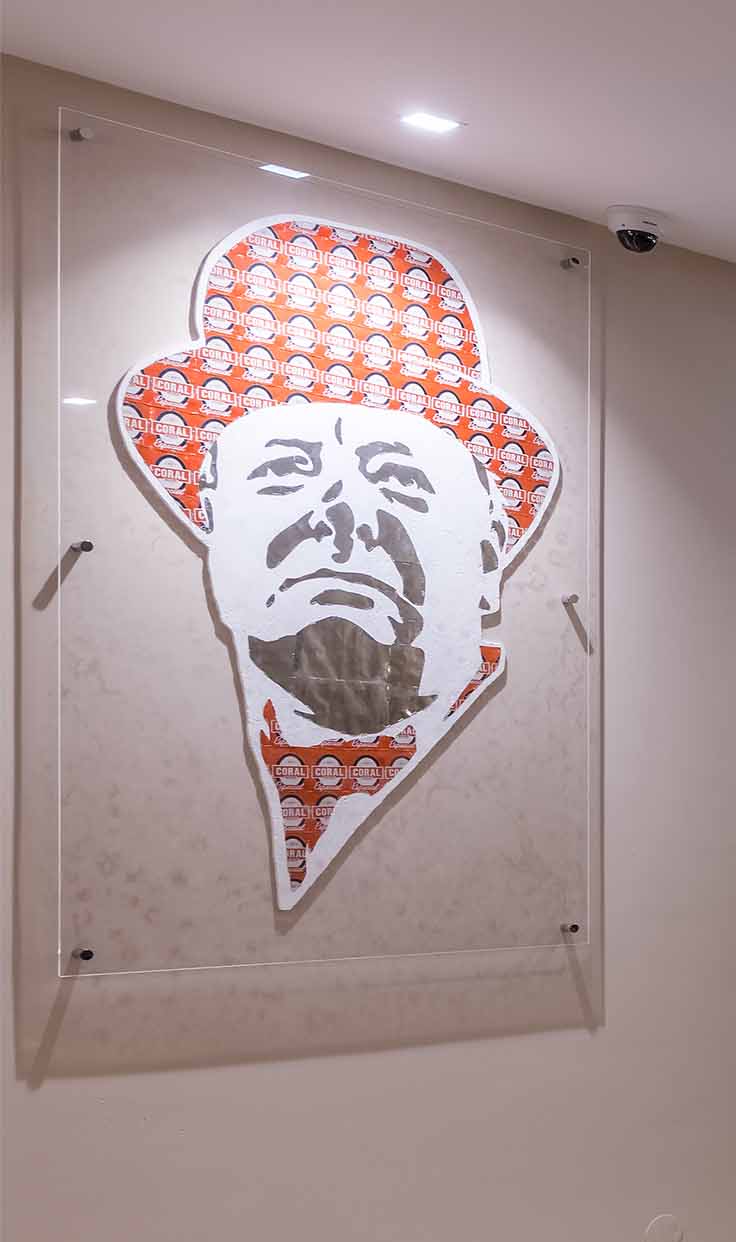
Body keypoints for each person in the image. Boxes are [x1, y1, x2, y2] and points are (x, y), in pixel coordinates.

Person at [114, 217, 561, 908]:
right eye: (286, 472)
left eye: (403, 480)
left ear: (487, 555)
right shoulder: (148, 717)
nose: (344, 513)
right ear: (212, 518)